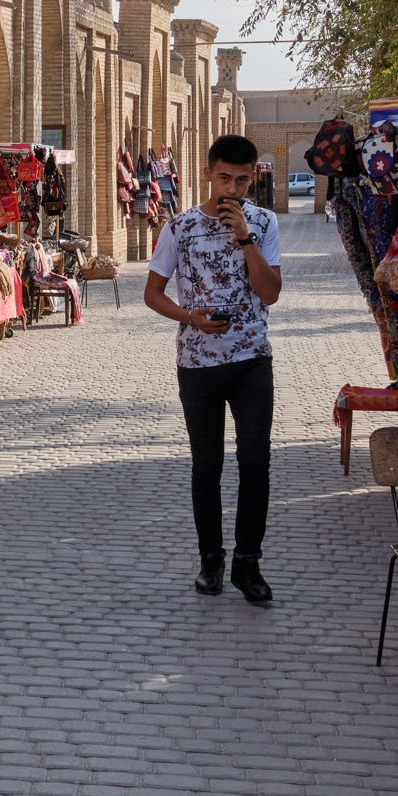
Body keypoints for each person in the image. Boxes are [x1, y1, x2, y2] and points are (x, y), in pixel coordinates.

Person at [143, 135, 284, 603]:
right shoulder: (179, 227)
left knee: (255, 463)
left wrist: (245, 237)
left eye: (242, 180)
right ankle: (211, 560)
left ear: (252, 178)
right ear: (208, 174)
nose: (233, 188)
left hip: (251, 361)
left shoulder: (263, 222)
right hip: (198, 362)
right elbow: (153, 294)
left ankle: (248, 563)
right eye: (225, 178)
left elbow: (270, 293)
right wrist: (190, 317)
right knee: (207, 466)